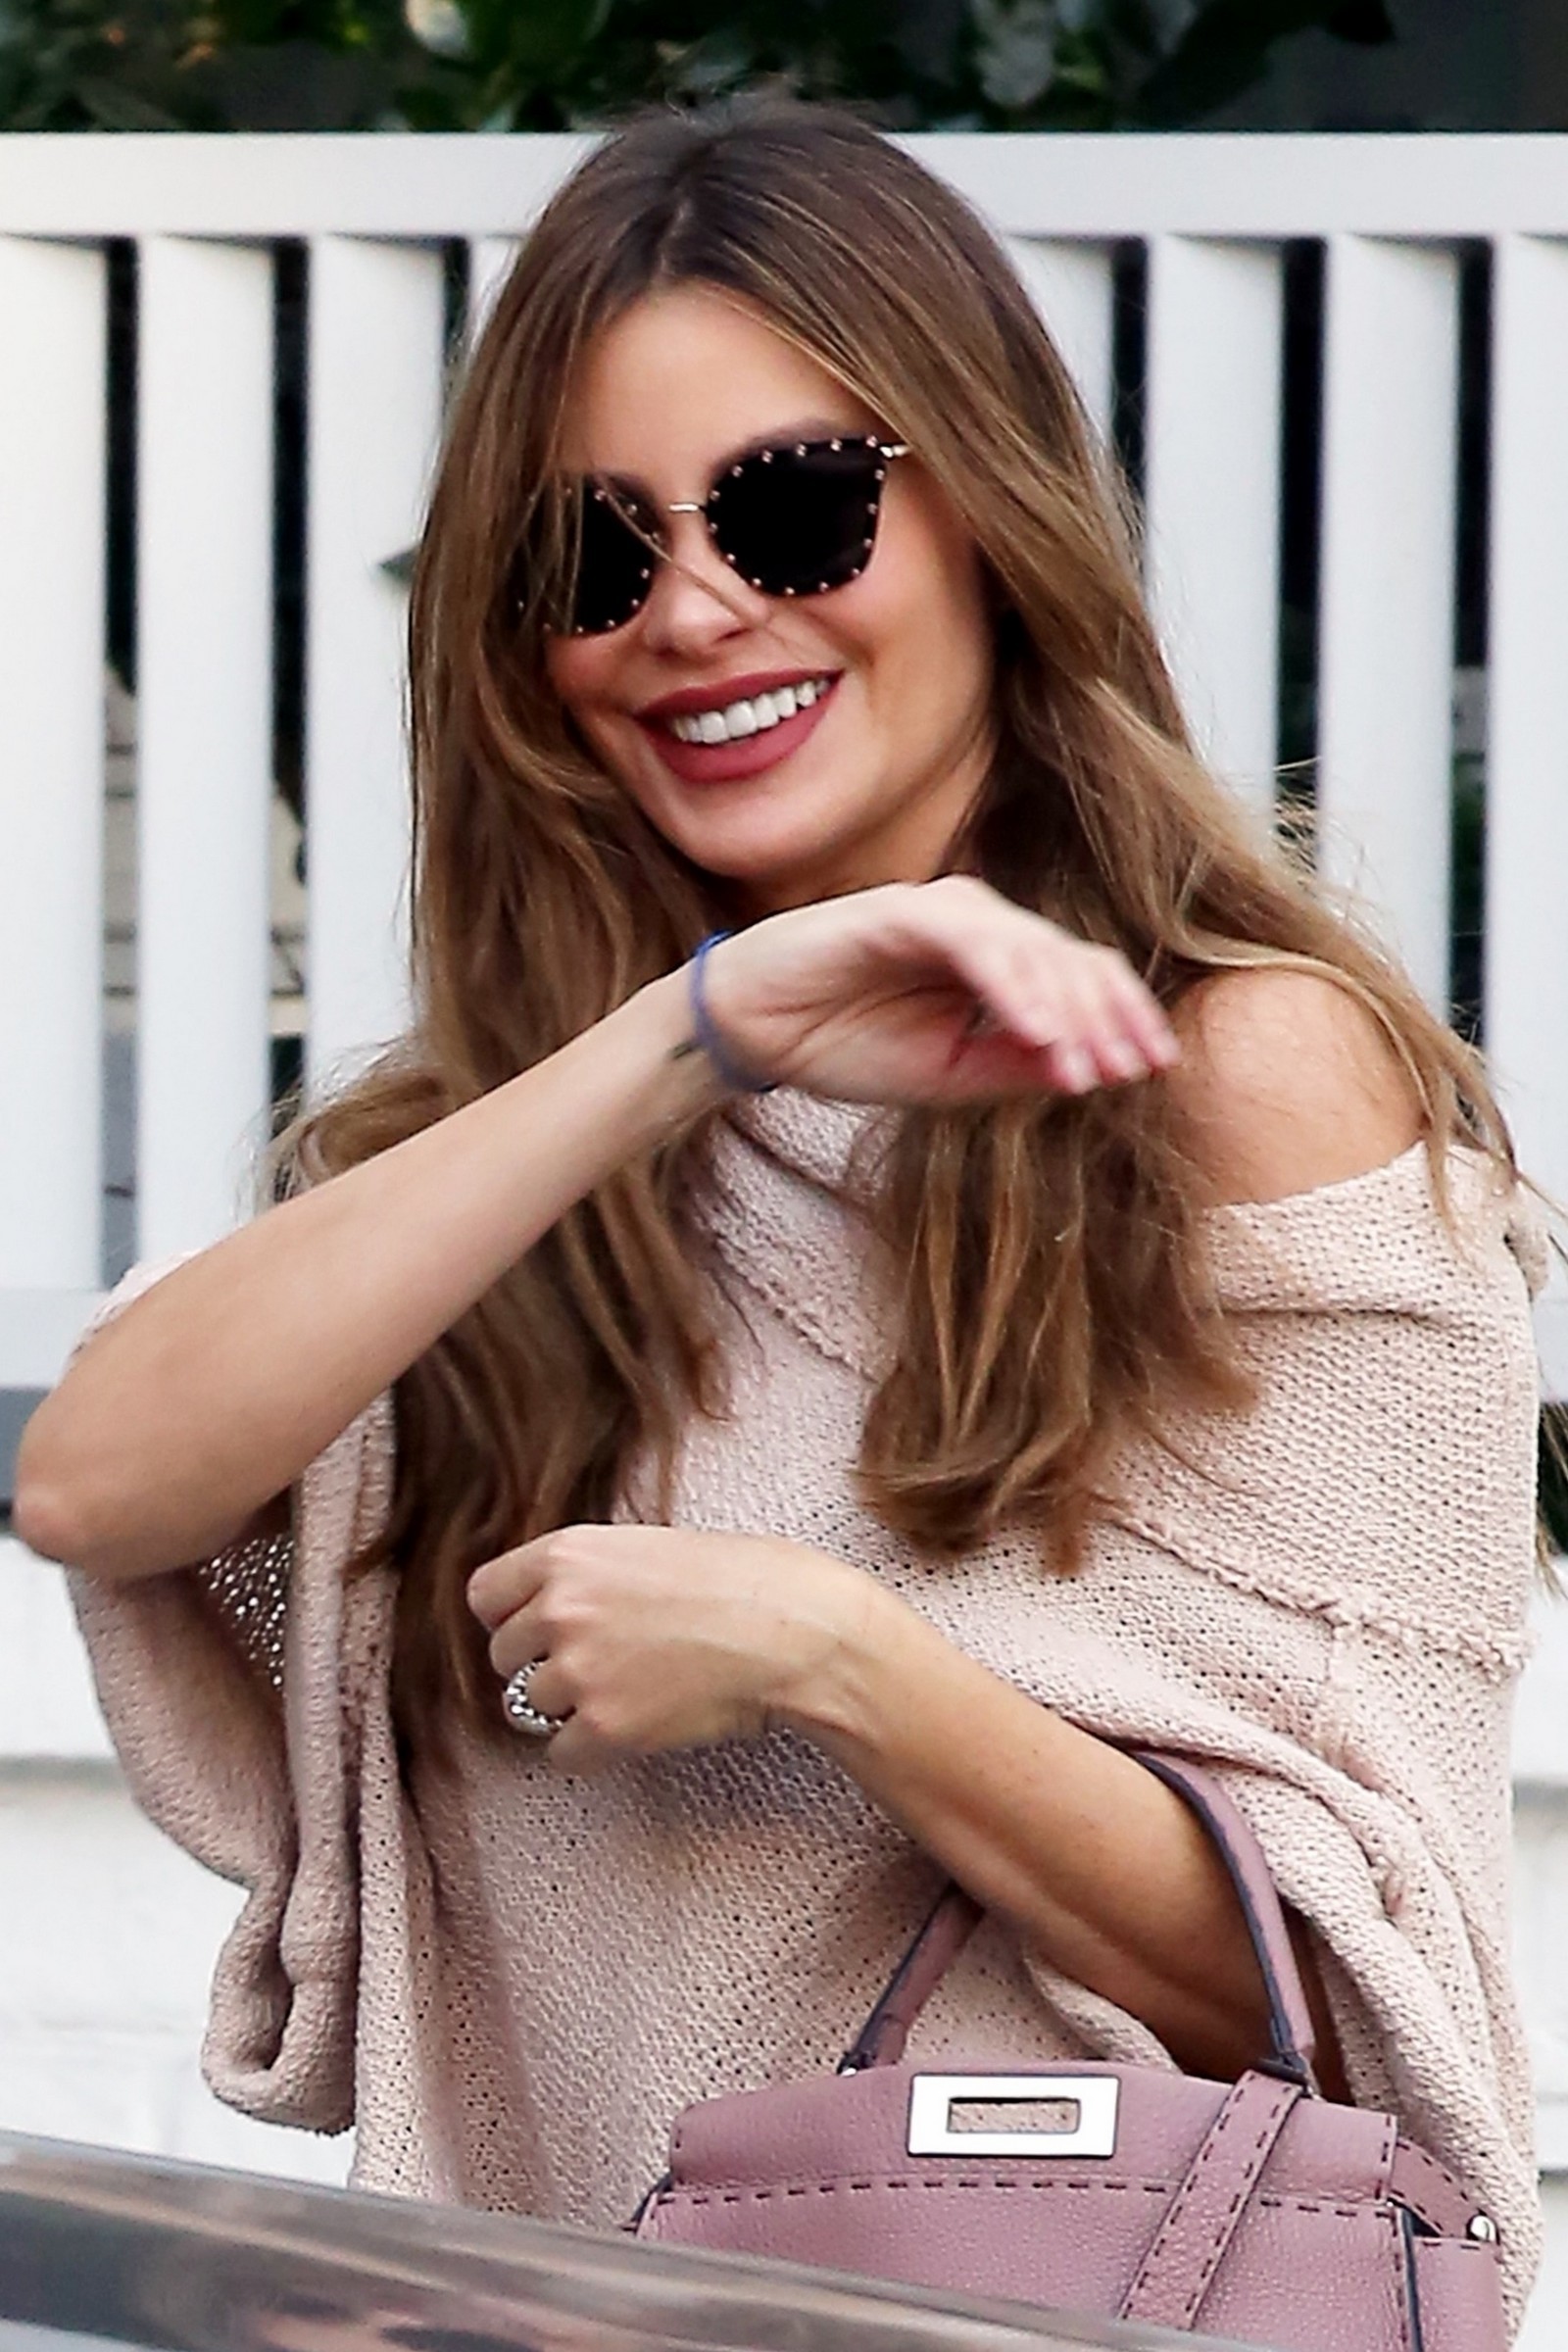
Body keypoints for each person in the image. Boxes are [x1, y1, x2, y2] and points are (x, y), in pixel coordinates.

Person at [16, 97, 1547, 2331]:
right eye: (590, 556)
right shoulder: (505, 1161)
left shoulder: (1231, 1074)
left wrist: (832, 1661)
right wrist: (689, 1040)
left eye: (794, 504)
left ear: (988, 512)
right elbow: (95, 1484)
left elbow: (1333, 1974)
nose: (694, 609)